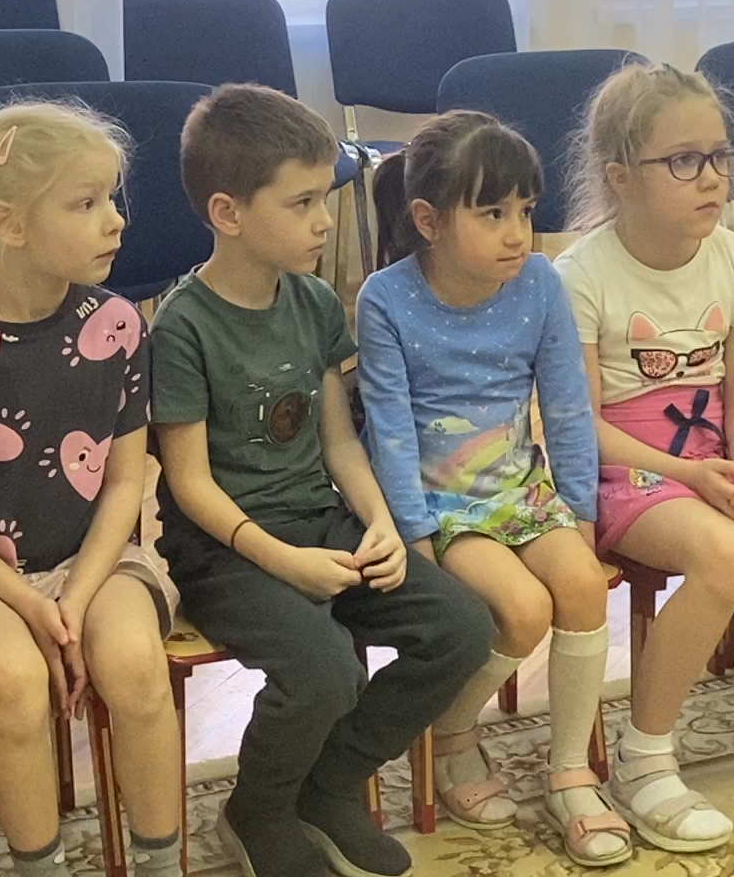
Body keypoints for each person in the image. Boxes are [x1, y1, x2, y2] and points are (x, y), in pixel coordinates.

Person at [151, 84, 494, 877]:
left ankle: (330, 785)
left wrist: (380, 524)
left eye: (325, 198)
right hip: (223, 552)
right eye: (302, 203)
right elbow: (191, 485)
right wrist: (284, 560)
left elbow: (340, 442)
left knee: (459, 628)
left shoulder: (311, 303)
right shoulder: (181, 325)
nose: (325, 221)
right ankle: (257, 810)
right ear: (228, 213)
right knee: (325, 668)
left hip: (321, 521)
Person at [555, 59, 734, 849]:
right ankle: (644, 756)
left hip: (719, 452)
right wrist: (692, 477)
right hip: (629, 467)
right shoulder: (579, 277)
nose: (712, 177)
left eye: (720, 156)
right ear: (620, 176)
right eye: (684, 160)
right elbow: (578, 426)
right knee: (722, 554)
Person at [0, 102, 185, 876]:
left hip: (97, 563)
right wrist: (28, 604)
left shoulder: (118, 324)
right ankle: (39, 865)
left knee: (134, 663)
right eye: (85, 203)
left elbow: (126, 483)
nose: (116, 220)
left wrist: (75, 600)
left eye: (111, 198)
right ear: (10, 224)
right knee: (11, 681)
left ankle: (162, 863)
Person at [357, 110, 629, 866]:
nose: (519, 234)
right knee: (523, 609)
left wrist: (578, 511)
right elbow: (388, 428)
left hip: (521, 490)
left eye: (526, 211)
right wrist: (414, 535)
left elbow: (567, 406)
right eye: (493, 214)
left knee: (582, 585)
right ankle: (452, 734)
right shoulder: (385, 298)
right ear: (429, 221)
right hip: (439, 506)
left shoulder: (539, 282)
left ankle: (570, 772)